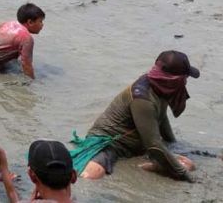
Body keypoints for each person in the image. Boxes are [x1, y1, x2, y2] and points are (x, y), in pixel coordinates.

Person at [75, 51, 200, 182]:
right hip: (111, 143)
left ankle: (145, 165)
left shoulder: (160, 87)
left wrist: (173, 145)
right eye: (185, 78)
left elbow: (161, 117)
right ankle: (138, 167)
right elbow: (154, 145)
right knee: (93, 173)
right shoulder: (142, 98)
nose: (186, 82)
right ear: (174, 80)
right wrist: (187, 178)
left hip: (137, 146)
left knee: (188, 165)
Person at [0, 3, 45, 79]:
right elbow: (27, 65)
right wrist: (32, 82)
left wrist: (1, 47)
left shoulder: (11, 23)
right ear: (30, 22)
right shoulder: (27, 38)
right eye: (40, 21)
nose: (42, 25)